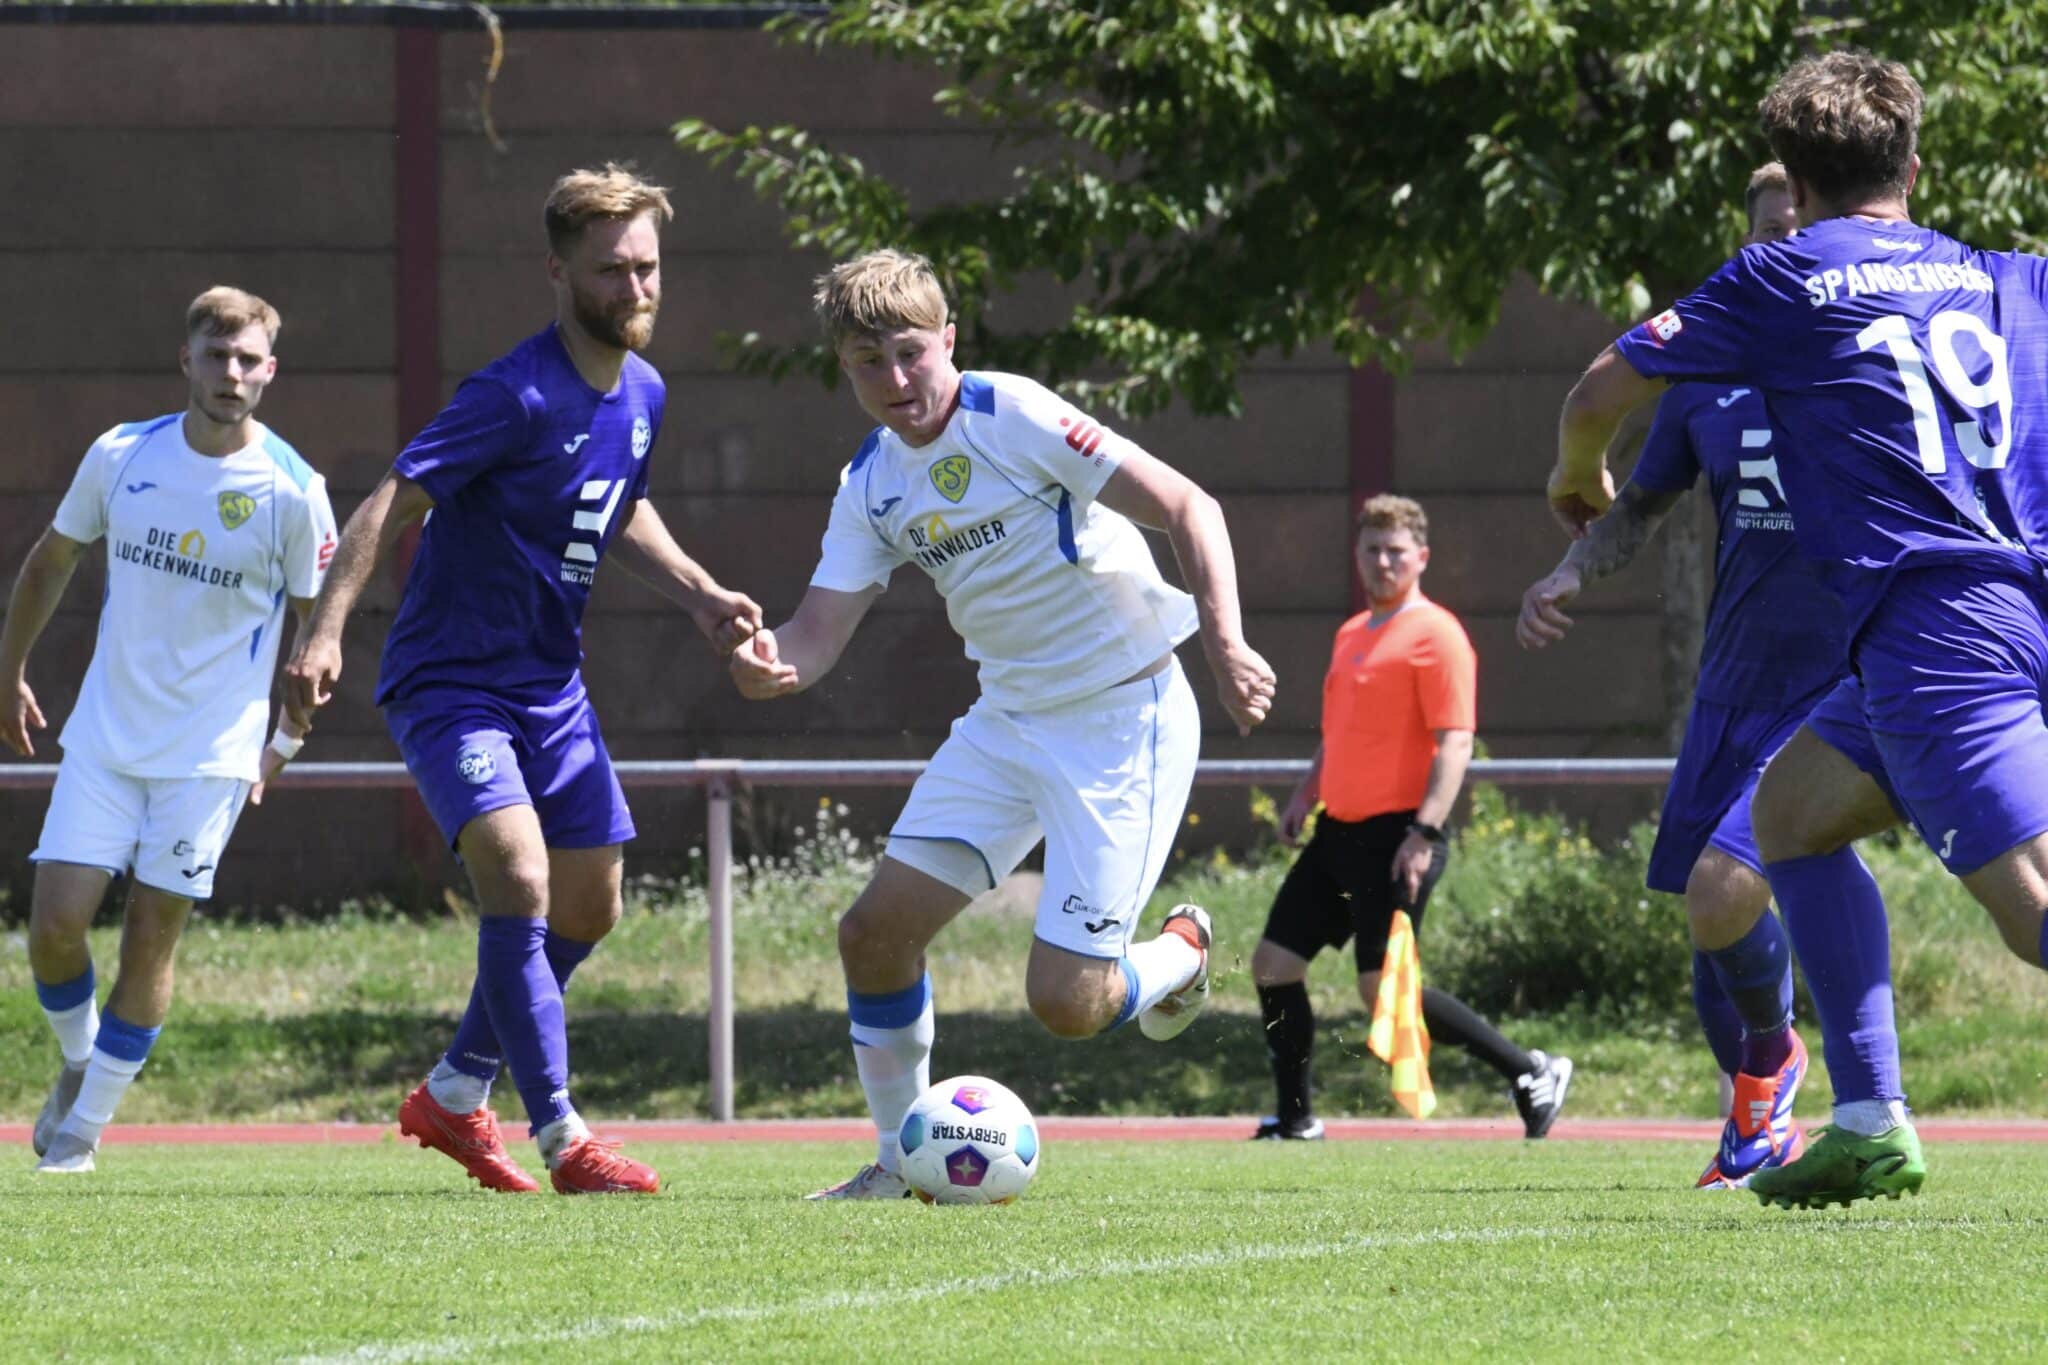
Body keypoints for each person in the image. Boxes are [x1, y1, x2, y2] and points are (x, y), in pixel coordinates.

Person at [1546, 50, 2048, 1208]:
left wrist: (1575, 476)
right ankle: (1868, 1119)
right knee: (1789, 822)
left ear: (1802, 187)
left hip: (1937, 627)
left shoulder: (1778, 278)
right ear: (1913, 167)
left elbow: (1593, 399)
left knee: (2030, 912)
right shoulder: (2009, 278)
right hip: (1967, 619)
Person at [729, 248, 1277, 1199]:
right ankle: (900, 1164)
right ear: (843, 369)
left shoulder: (1012, 413)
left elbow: (1191, 503)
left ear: (949, 339)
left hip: (1124, 716)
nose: (896, 380)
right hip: (1008, 721)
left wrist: (1226, 643)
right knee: (873, 935)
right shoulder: (869, 484)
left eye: (910, 352)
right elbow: (815, 633)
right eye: (868, 361)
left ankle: (1180, 954)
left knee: (1068, 1005)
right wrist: (767, 661)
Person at [285, 164, 762, 1196]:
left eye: (647, 268)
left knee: (589, 909)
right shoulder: (509, 393)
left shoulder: (644, 392)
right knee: (520, 877)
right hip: (451, 681)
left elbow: (618, 502)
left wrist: (699, 594)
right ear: (557, 271)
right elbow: (389, 501)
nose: (636, 290)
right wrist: (327, 632)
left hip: (553, 687)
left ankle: (454, 1093)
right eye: (611, 272)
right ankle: (563, 1138)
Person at [1518, 164, 1866, 1187]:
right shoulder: (1707, 370)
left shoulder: (1875, 351)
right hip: (1733, 678)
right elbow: (1637, 505)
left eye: (1798, 224)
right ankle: (1755, 1115)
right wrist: (1570, 567)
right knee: (1708, 920)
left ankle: (1790, 1074)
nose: (1779, 245)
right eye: (1764, 230)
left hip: (1844, 673)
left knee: (1737, 887)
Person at [3, 286, 336, 1174]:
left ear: (271, 371)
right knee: (54, 928)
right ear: (184, 359)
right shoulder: (121, 455)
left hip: (211, 759)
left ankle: (79, 1137)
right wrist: (9, 673)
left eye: (248, 360)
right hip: (106, 741)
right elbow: (52, 561)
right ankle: (80, 1064)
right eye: (215, 355)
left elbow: (319, 633)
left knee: (152, 934)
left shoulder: (295, 493)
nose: (232, 373)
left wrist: (284, 744)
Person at [1252, 495, 1570, 1142]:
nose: (1382, 561)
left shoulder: (1437, 634)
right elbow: (1336, 734)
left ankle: (1531, 1069)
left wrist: (1423, 833)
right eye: (1371, 548)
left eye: (1395, 550)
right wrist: (1302, 794)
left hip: (1397, 837)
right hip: (1336, 833)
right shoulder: (1351, 633)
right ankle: (1296, 1118)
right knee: (1272, 965)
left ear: (1421, 557)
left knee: (1382, 991)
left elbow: (1455, 740)